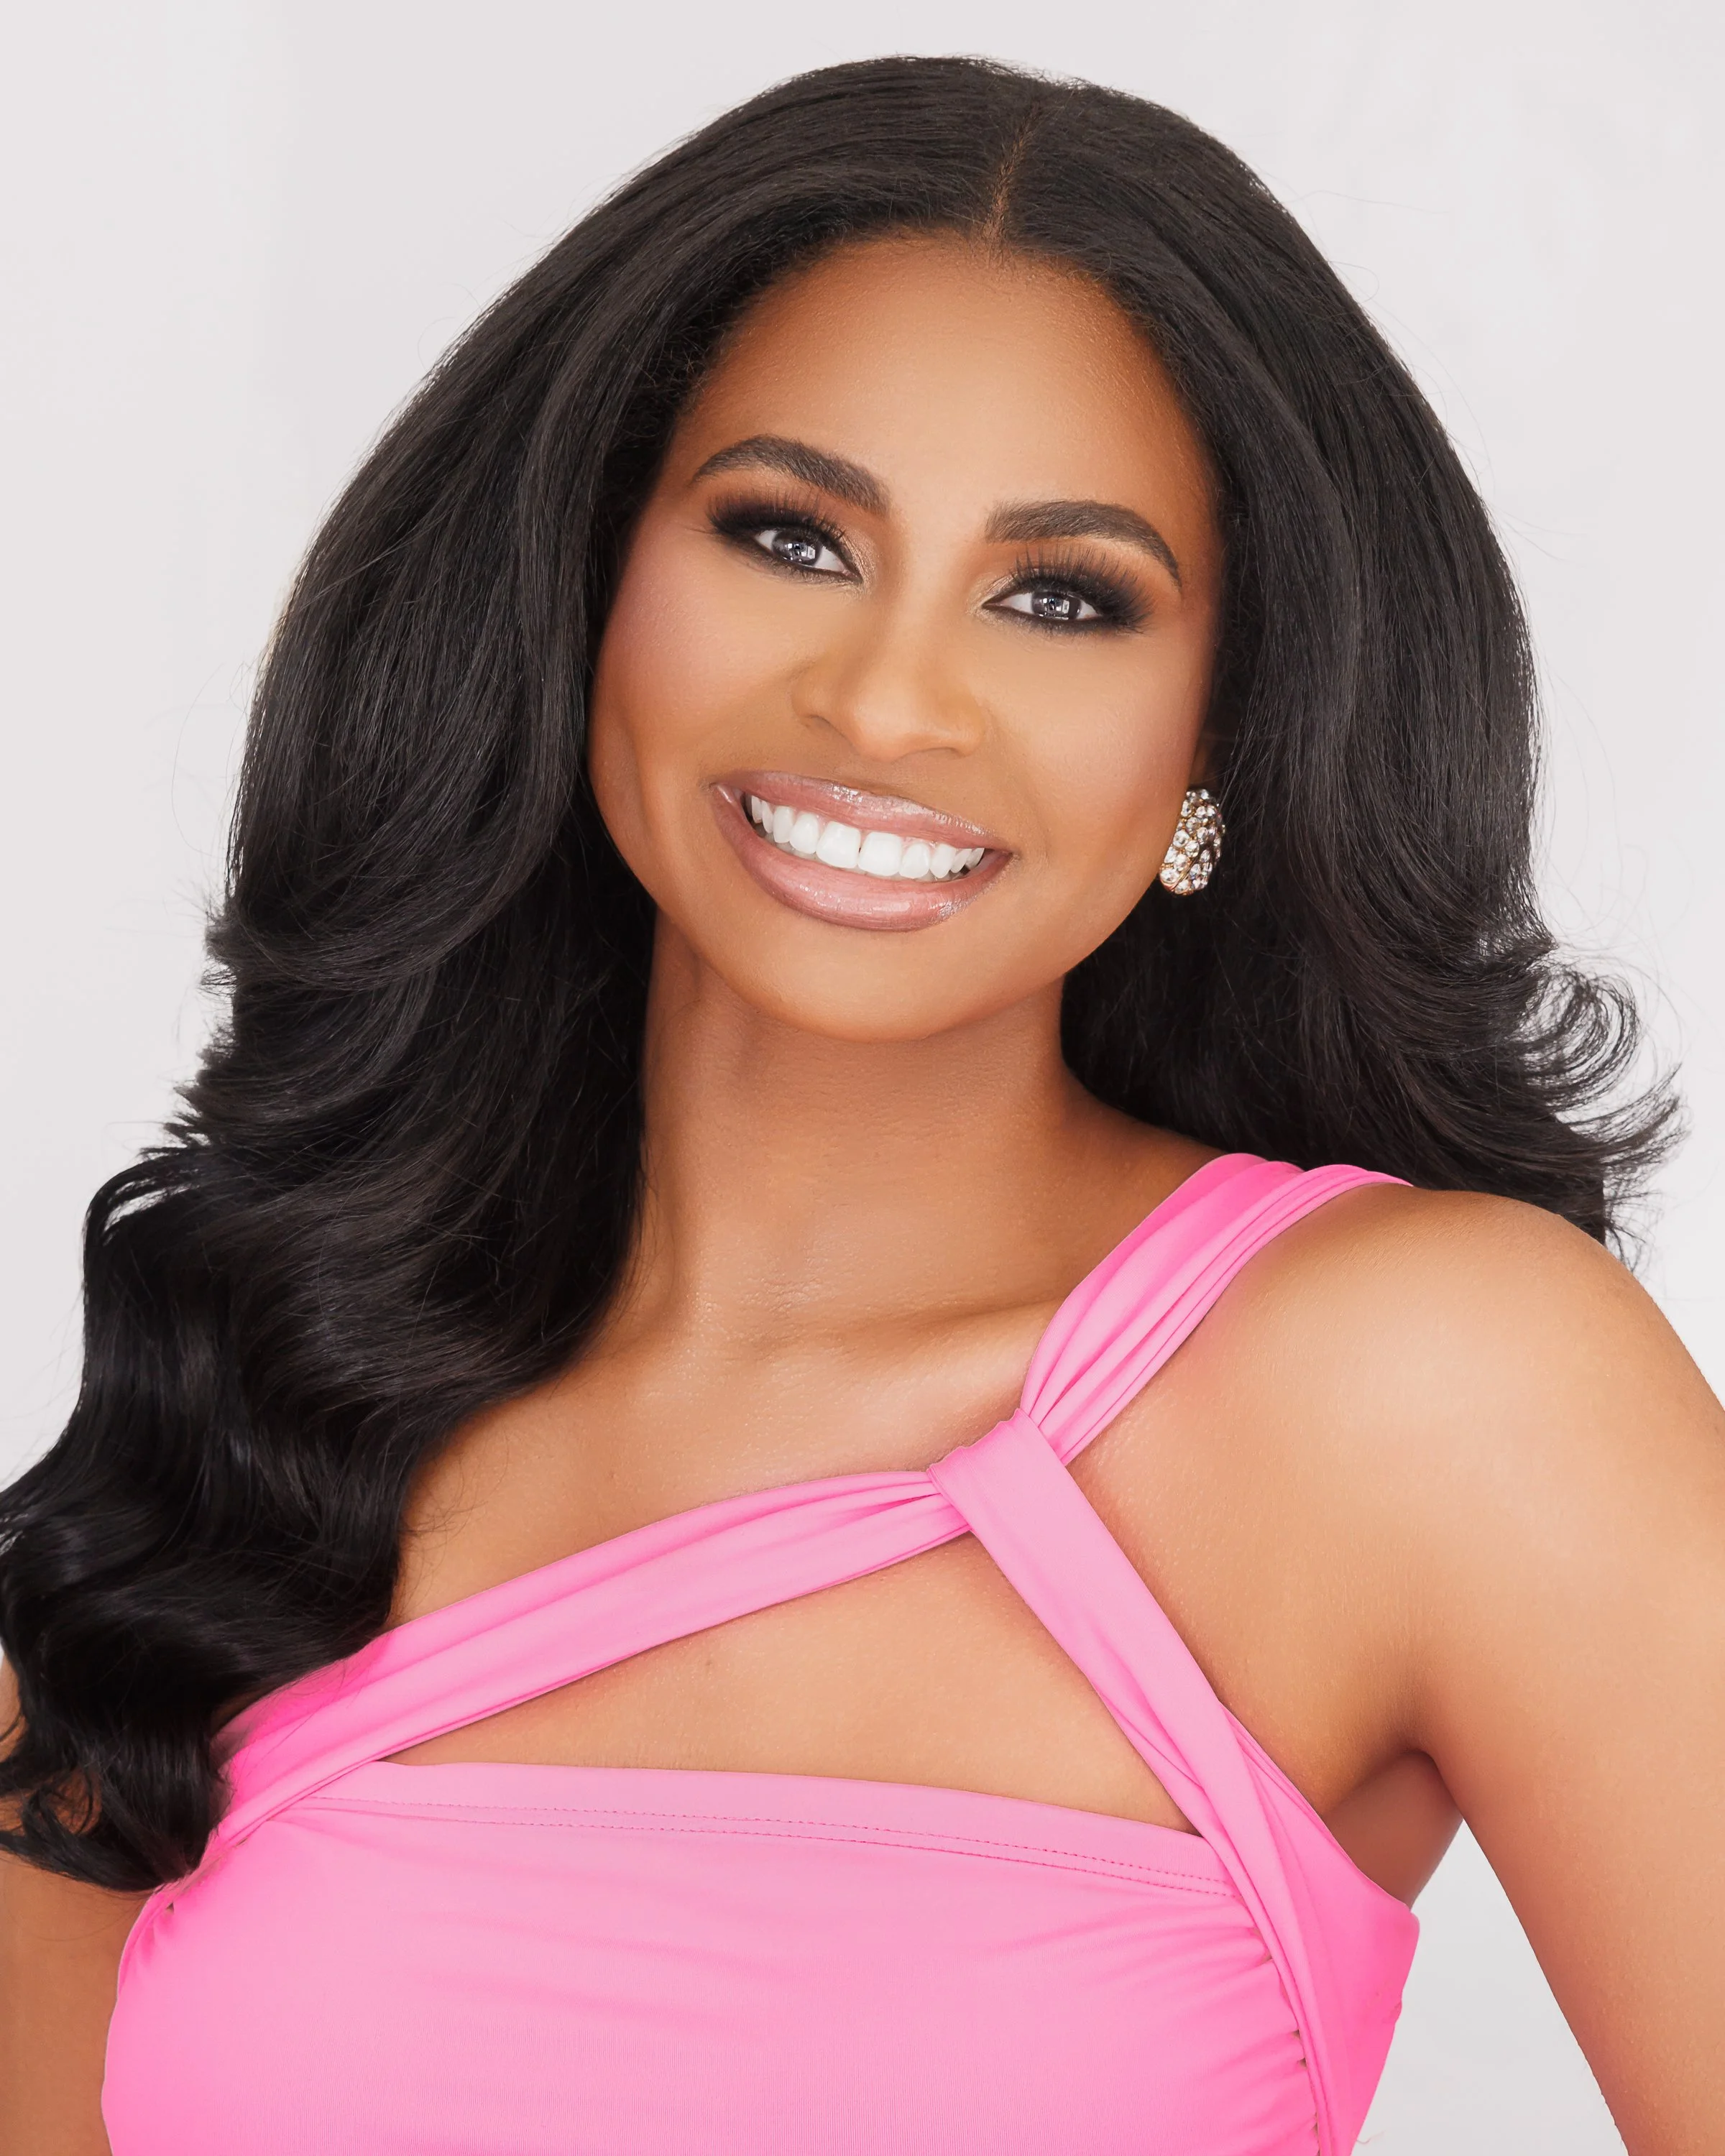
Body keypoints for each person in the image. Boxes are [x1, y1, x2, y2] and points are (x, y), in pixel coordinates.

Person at [2, 53, 1720, 2156]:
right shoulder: (228, 1452)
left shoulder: (1428, 1389)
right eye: (790, 535)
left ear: (1220, 735)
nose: (891, 699)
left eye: (1063, 596)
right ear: (586, 590)